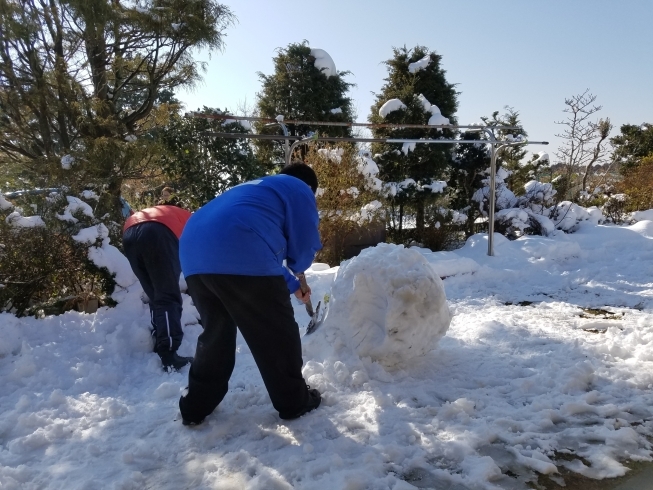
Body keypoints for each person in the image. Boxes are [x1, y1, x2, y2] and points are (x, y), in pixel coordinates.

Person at [178, 162, 323, 425]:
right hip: (241, 250)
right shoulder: (298, 188)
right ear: (309, 187)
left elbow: (256, 248)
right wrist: (300, 268)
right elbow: (302, 242)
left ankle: (195, 406)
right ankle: (294, 401)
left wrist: (292, 286)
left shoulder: (253, 189)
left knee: (216, 335)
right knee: (276, 333)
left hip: (194, 257)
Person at [123, 204, 194, 371]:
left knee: (156, 295)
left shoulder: (179, 215)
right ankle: (169, 353)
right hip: (158, 232)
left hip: (129, 231)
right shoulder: (197, 222)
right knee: (168, 296)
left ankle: (161, 338)